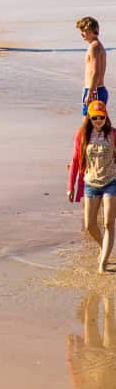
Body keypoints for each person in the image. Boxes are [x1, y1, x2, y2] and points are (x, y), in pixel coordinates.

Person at [68, 101, 116, 272]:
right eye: (94, 117)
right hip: (91, 184)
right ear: (89, 117)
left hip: (112, 182)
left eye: (101, 117)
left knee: (109, 223)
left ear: (106, 116)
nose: (98, 120)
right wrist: (71, 186)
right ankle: (103, 245)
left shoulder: (113, 134)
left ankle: (103, 263)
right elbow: (74, 162)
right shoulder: (82, 135)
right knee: (90, 225)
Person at [79, 17, 108, 116]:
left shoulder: (94, 47)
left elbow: (95, 72)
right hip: (97, 89)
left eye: (84, 30)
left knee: (89, 124)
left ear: (92, 31)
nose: (81, 33)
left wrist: (90, 92)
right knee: (96, 125)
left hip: (95, 90)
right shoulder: (97, 45)